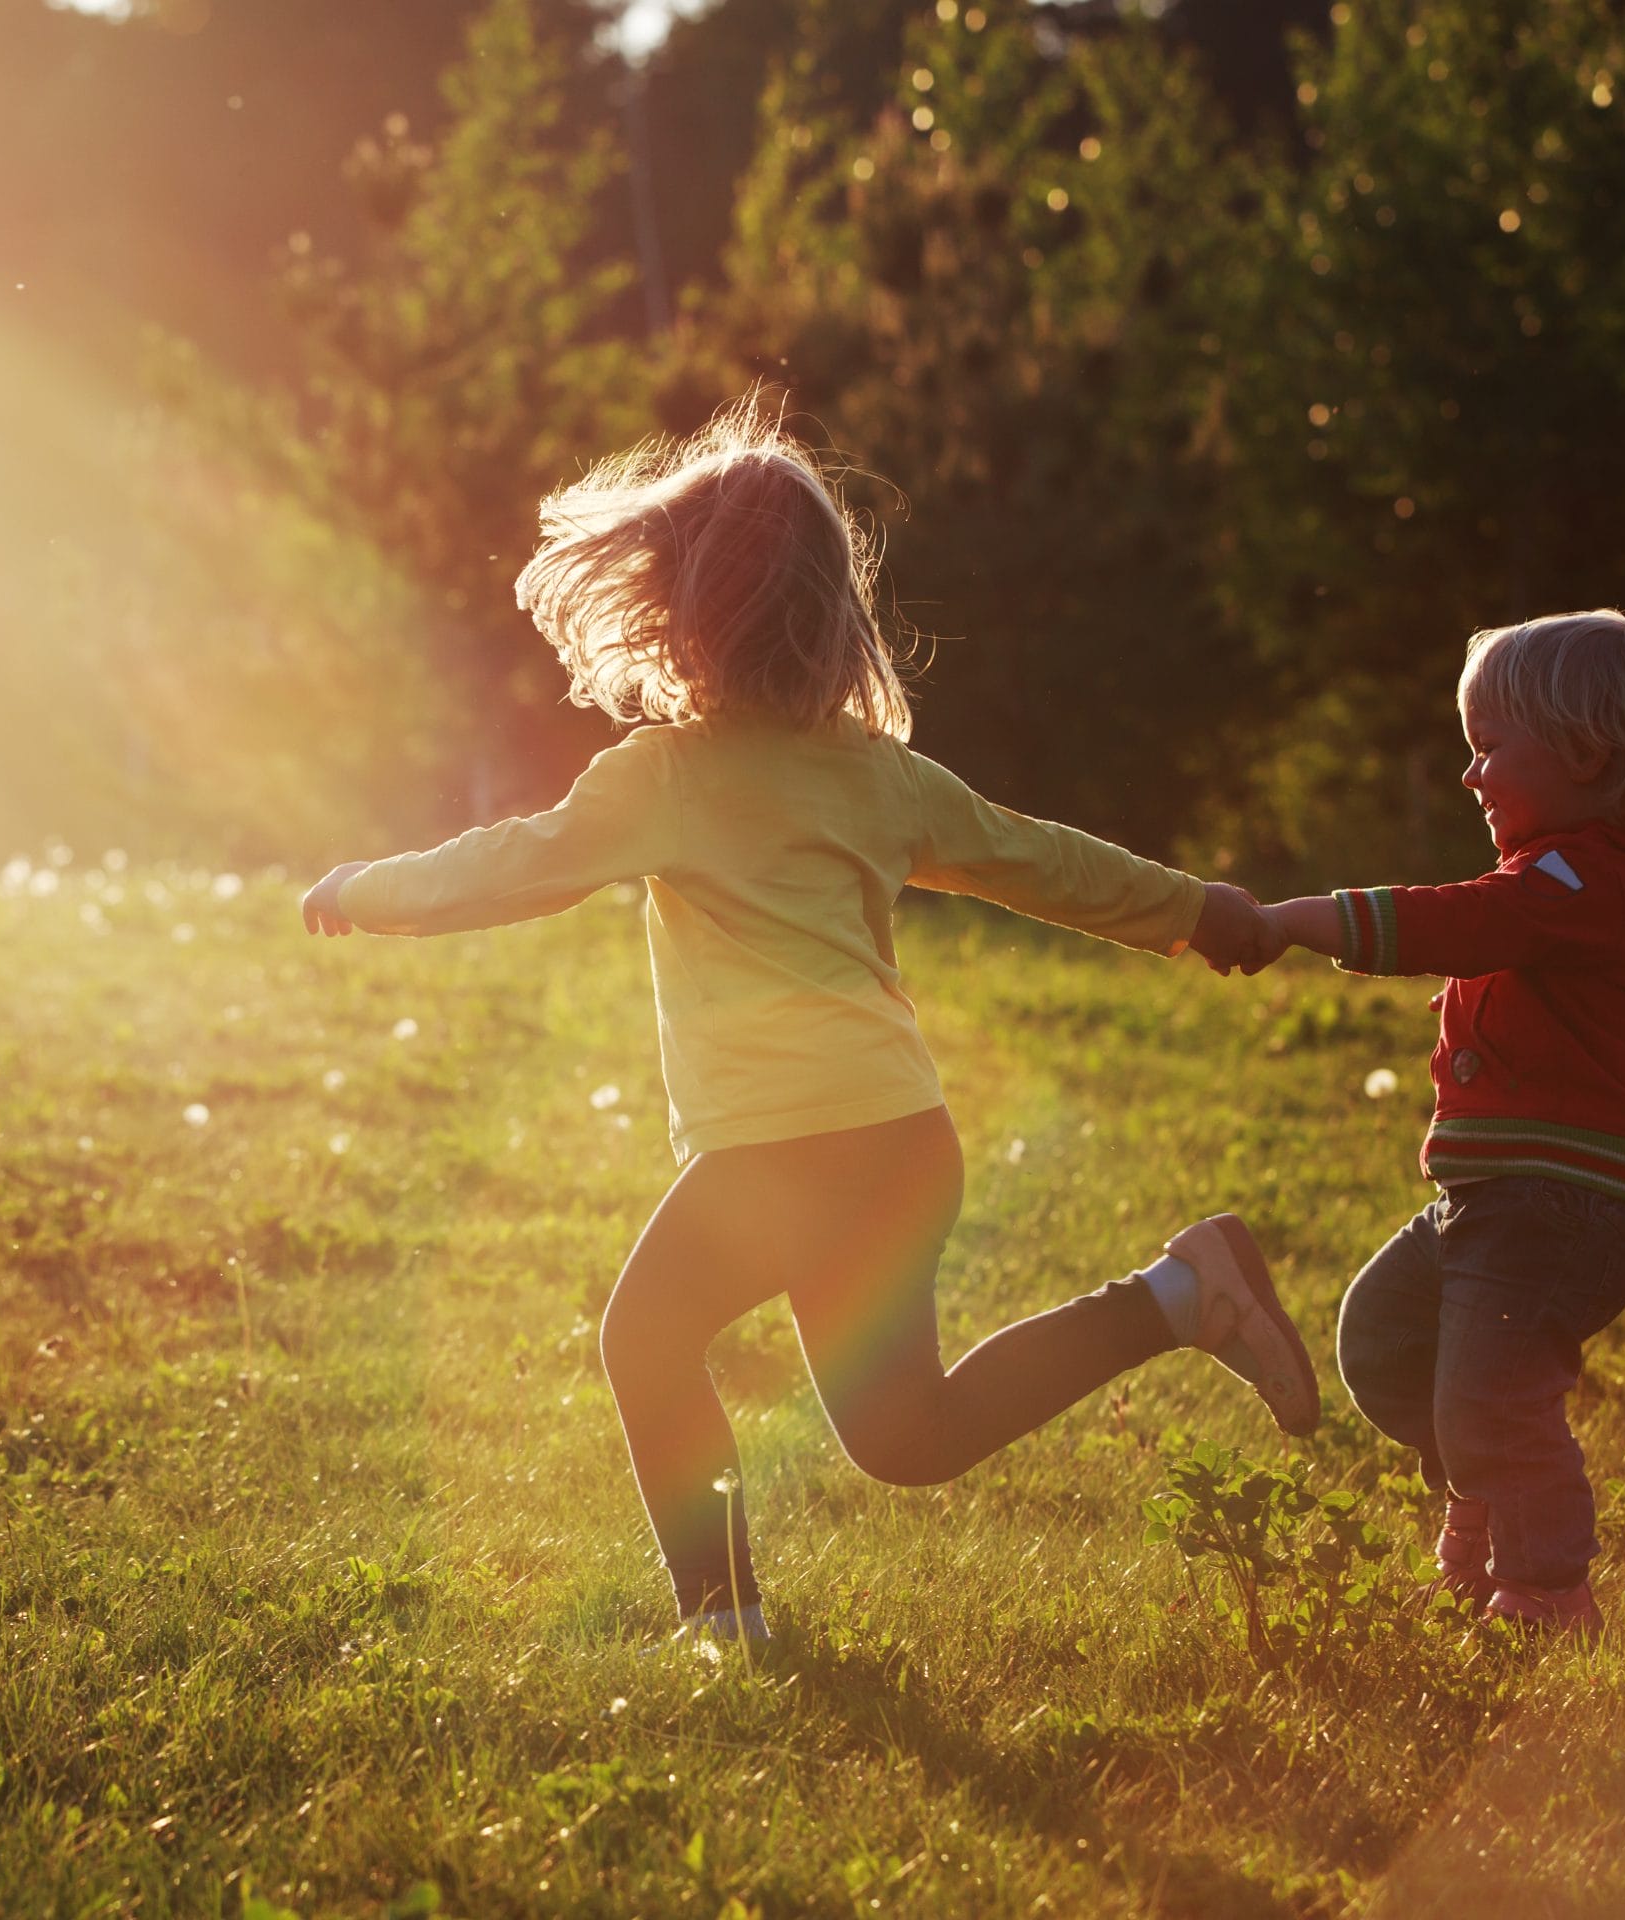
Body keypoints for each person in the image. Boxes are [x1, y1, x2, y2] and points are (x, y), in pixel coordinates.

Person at [300, 398, 1318, 1645]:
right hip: (898, 1143)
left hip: (789, 1152)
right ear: (831, 610)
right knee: (910, 1437)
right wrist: (1199, 912)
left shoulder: (665, 778)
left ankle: (724, 1623)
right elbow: (1041, 861)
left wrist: (358, 891)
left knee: (645, 1340)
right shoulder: (877, 777)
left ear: (675, 613)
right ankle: (1178, 1294)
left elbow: (508, 867)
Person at [1248, 610, 1625, 1637]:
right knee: (1380, 1338)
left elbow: (1454, 919)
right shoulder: (1576, 879)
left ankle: (1546, 1590)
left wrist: (1293, 921)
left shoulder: (1582, 877)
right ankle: (1483, 1497)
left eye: (1487, 748)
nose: (1469, 776)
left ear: (1585, 754)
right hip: (1501, 1201)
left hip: (1554, 1207)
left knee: (1491, 1398)